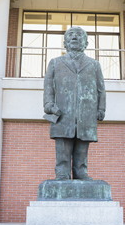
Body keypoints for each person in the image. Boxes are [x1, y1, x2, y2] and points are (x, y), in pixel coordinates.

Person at [43, 27, 106, 181]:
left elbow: (100, 88)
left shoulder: (94, 65)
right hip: (63, 112)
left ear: (86, 43)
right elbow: (48, 86)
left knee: (82, 145)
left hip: (87, 113)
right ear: (65, 42)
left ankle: (81, 172)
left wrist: (101, 108)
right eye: (70, 35)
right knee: (63, 146)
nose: (74, 37)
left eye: (79, 35)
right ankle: (62, 173)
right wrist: (49, 104)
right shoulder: (55, 62)